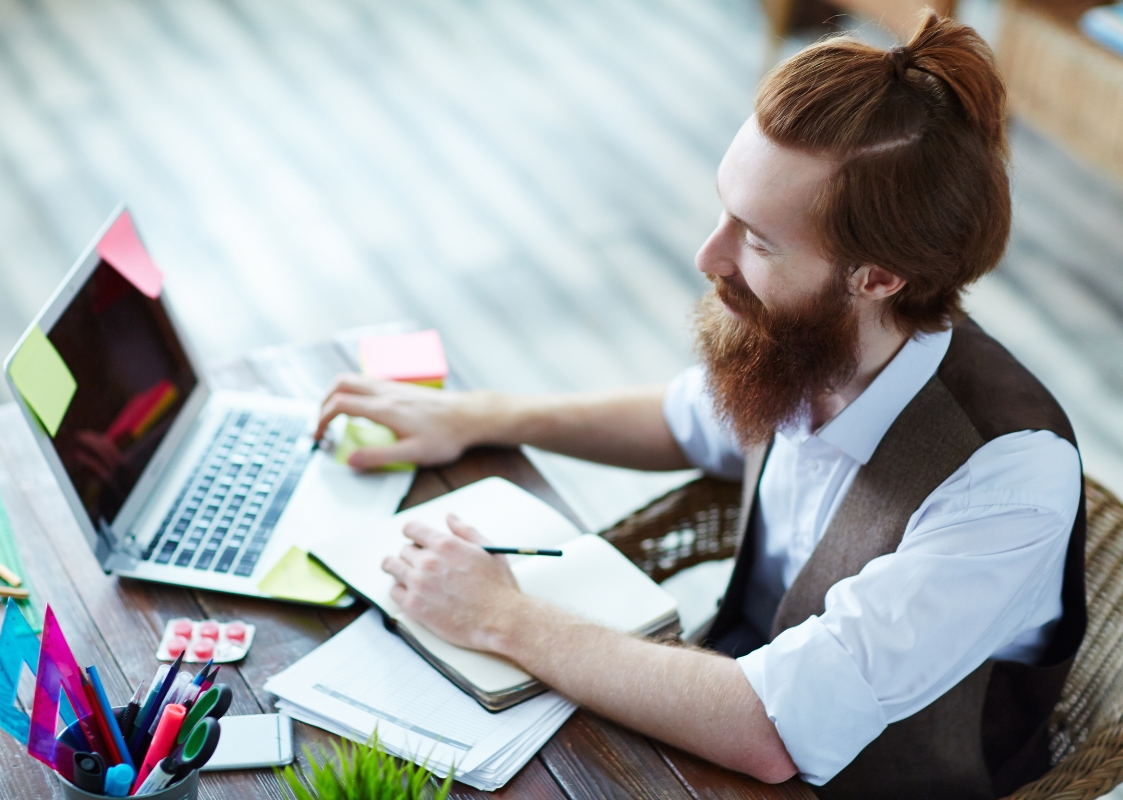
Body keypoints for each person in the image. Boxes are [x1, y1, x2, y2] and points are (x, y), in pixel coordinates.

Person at [314, 13, 1085, 799]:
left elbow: (771, 730)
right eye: (724, 210)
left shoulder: (1009, 480)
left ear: (877, 277)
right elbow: (688, 417)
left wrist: (499, 618)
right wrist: (479, 417)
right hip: (711, 728)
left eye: (755, 238)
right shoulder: (815, 344)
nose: (707, 256)